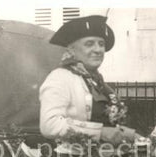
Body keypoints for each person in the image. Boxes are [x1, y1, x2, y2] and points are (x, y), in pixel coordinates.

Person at [39, 15, 137, 144]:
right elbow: (50, 125)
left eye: (101, 44)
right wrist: (99, 132)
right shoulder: (60, 77)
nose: (97, 50)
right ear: (71, 50)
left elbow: (109, 125)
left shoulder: (98, 82)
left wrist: (134, 136)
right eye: (89, 44)